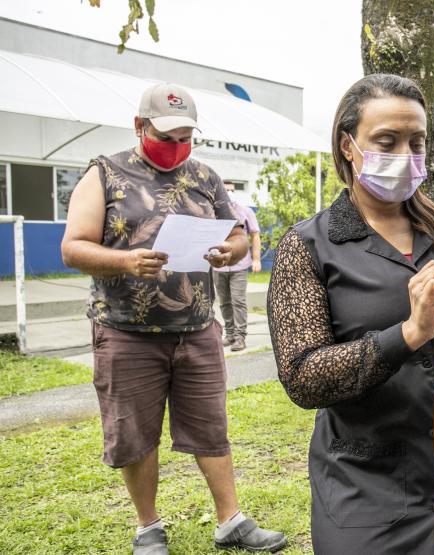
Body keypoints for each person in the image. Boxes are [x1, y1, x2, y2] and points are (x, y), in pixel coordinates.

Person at [266, 73, 434, 555]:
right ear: (348, 146)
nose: (404, 154)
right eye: (386, 141)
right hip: (365, 488)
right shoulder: (309, 246)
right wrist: (407, 334)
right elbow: (303, 378)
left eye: (416, 142)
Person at [60, 83, 287, 555]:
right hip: (127, 332)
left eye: (186, 136)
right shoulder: (104, 173)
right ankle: (148, 528)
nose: (177, 146)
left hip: (197, 329)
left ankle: (231, 520)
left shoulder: (204, 175)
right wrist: (125, 261)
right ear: (139, 126)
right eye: (167, 135)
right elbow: (73, 246)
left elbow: (238, 235)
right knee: (136, 431)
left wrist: (231, 252)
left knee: (211, 425)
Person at [214, 181, 261, 352]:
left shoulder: (245, 211)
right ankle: (230, 334)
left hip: (239, 265)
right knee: (224, 302)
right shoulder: (214, 212)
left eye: (231, 190)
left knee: (238, 301)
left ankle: (240, 337)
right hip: (218, 266)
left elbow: (255, 235)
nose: (228, 192)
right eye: (225, 190)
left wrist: (256, 259)